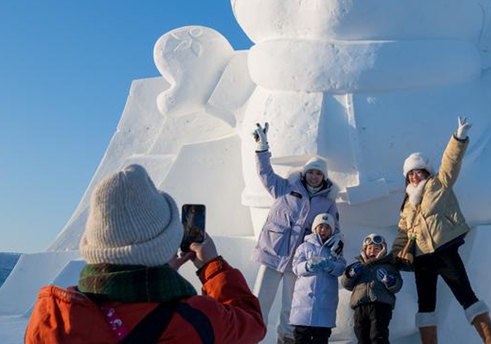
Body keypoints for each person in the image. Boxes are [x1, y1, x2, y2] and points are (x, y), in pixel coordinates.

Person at [24, 164, 266, 344]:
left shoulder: (51, 319)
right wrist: (212, 266)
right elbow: (251, 322)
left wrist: (157, 276)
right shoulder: (195, 319)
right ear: (166, 245)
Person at [391, 117, 491, 344]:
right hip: (421, 259)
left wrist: (458, 137)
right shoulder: (408, 202)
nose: (414, 176)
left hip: (444, 251)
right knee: (426, 306)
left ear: (426, 172)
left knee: (467, 297)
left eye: (418, 171)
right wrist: (397, 253)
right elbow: (403, 230)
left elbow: (451, 162)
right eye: (410, 174)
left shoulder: (438, 184)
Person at [252, 122, 339, 344]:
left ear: (324, 177)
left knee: (290, 306)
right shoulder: (285, 188)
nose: (314, 177)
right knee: (259, 301)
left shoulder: (327, 202)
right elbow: (265, 174)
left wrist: (333, 248)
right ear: (304, 173)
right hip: (274, 252)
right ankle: (248, 336)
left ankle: (286, 340)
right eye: (311, 172)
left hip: (299, 262)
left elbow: (333, 230)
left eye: (318, 174)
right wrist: (262, 148)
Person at [289, 213, 346, 344]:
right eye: (320, 226)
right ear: (314, 228)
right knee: (301, 338)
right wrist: (308, 266)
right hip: (303, 306)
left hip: (324, 307)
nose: (323, 230)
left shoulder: (336, 249)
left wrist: (331, 266)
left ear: (332, 231)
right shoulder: (304, 247)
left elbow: (341, 268)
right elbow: (296, 267)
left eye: (327, 228)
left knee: (321, 339)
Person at [341, 233, 403, 344]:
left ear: (382, 249)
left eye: (376, 248)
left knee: (378, 335)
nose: (372, 251)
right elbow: (346, 284)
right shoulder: (358, 265)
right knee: (361, 335)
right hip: (360, 307)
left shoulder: (389, 266)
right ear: (364, 249)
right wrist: (351, 275)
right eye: (369, 248)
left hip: (380, 305)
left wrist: (390, 281)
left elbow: (397, 286)